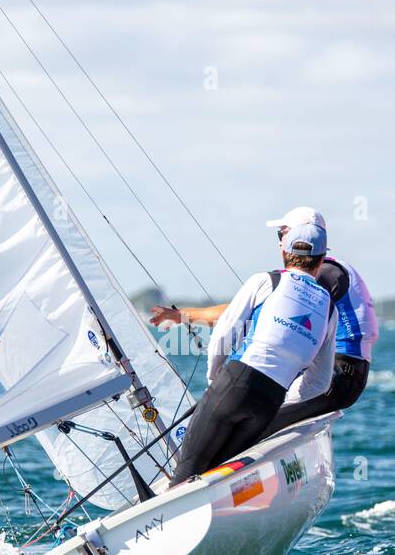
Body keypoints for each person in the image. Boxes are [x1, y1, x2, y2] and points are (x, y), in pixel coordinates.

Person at [151, 206, 377, 433]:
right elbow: (241, 312)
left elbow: (243, 314)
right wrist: (182, 316)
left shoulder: (324, 276)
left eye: (282, 234)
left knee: (244, 424)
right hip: (340, 377)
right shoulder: (326, 272)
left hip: (336, 377)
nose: (279, 243)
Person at [167, 213, 337, 484]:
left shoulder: (266, 281)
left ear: (285, 252)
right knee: (214, 479)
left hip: (233, 386)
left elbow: (224, 332)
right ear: (321, 260)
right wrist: (281, 394)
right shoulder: (330, 309)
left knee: (185, 478)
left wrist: (215, 378)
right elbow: (319, 383)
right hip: (269, 403)